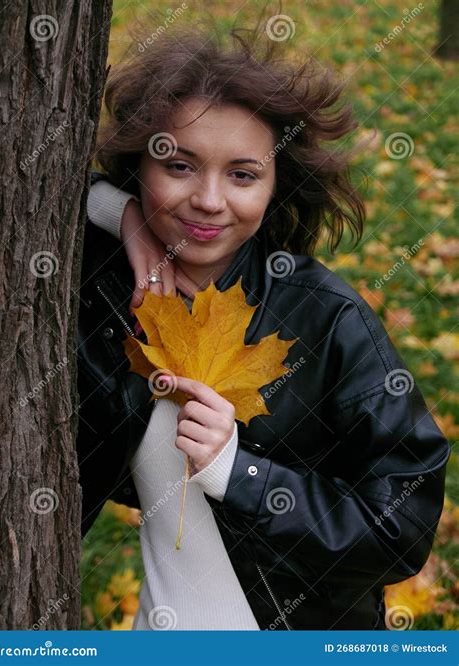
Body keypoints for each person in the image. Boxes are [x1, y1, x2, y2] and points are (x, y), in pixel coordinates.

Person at [77, 22, 450, 631]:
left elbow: (399, 531)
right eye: (179, 166)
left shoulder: (324, 319)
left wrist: (238, 472)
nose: (209, 199)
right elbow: (18, 185)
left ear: (277, 186)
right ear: (137, 168)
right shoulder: (109, 288)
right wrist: (119, 215)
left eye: (243, 174)